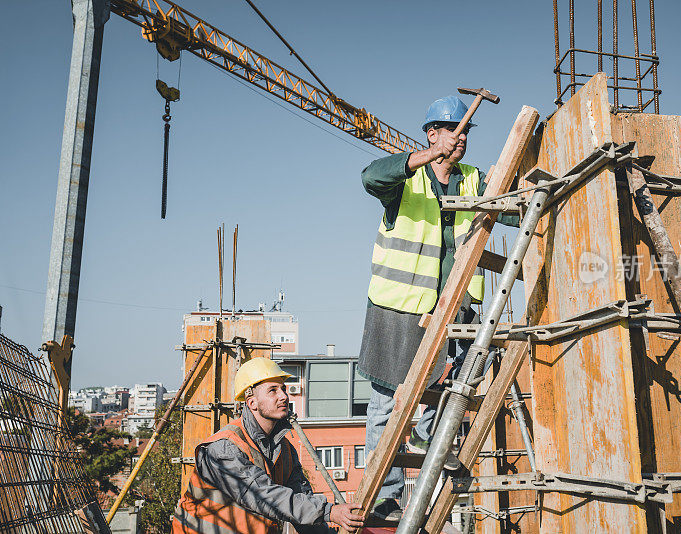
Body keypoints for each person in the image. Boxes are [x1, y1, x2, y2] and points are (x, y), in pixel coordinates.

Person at [357, 95, 519, 521]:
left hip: (459, 308)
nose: (460, 137)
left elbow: (511, 211)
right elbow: (371, 177)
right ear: (432, 134)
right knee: (387, 403)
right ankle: (385, 497)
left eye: (464, 131)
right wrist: (426, 157)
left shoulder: (473, 180)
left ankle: (432, 442)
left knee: (459, 386)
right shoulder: (406, 178)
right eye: (452, 129)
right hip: (400, 309)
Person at [172, 358, 365, 533]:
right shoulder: (224, 448)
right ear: (252, 402)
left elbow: (300, 504)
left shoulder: (286, 451)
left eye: (283, 389)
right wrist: (329, 511)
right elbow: (262, 495)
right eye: (273, 390)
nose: (283, 396)